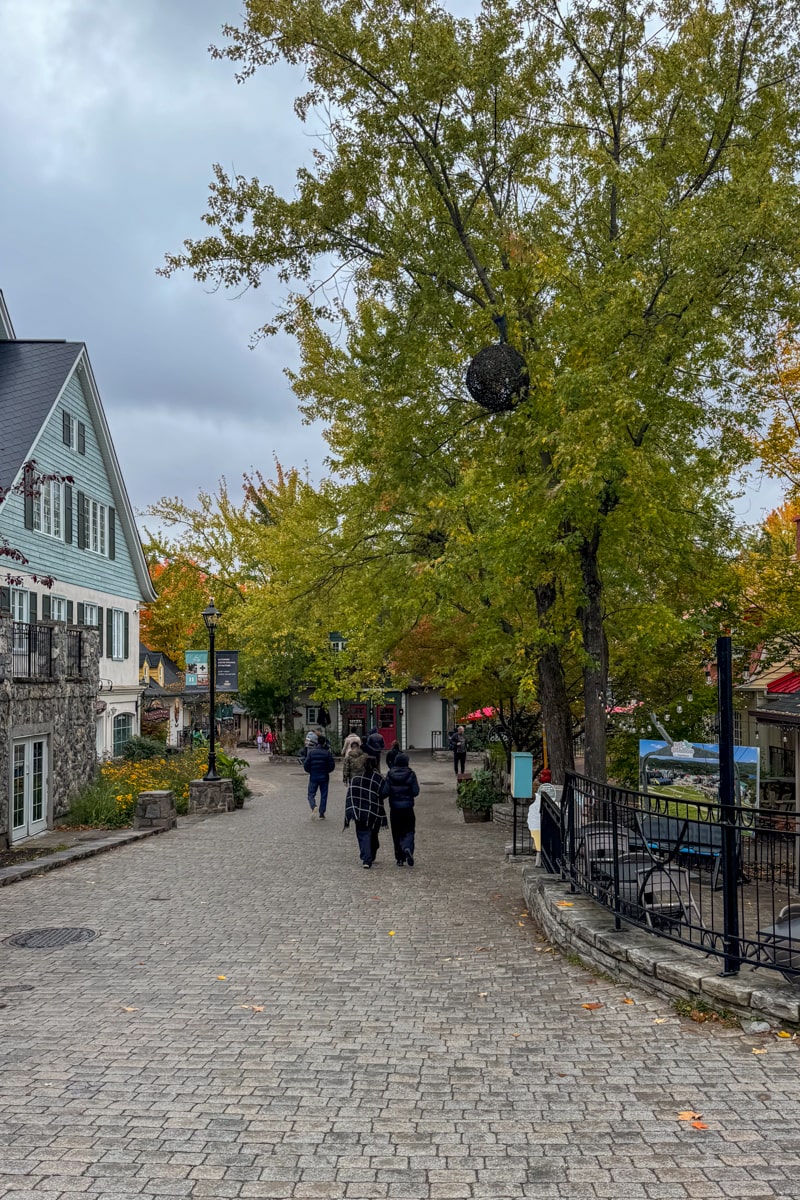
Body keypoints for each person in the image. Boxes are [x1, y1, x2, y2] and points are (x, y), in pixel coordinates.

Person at [344, 756, 387, 868]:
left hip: (360, 812)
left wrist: (352, 809)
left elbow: (351, 795)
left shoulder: (356, 779)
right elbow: (384, 793)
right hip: (375, 812)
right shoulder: (379, 778)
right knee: (372, 834)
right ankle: (370, 856)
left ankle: (366, 859)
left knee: (363, 835)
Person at [380, 752, 420, 867]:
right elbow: (416, 791)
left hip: (395, 809)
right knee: (409, 830)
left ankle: (399, 858)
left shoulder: (390, 774)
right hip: (408, 808)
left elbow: (385, 792)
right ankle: (407, 847)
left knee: (396, 832)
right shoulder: (411, 774)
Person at [303, 735, 336, 818]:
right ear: (324, 742)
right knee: (324, 795)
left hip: (314, 776)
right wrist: (327, 771)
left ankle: (313, 806)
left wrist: (311, 771)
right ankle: (322, 813)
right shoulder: (327, 753)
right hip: (324, 776)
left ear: (317, 742)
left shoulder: (311, 752)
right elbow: (332, 765)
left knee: (311, 794)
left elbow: (306, 765)